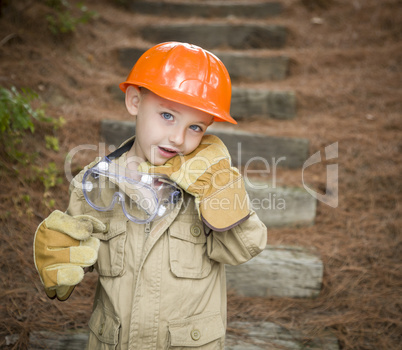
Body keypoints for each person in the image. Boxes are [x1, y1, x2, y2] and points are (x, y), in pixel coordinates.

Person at [33, 42, 267, 349]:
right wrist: (59, 255)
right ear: (134, 101)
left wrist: (221, 191)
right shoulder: (96, 185)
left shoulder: (208, 181)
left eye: (195, 126)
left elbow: (242, 248)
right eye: (168, 115)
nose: (178, 138)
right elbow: (79, 257)